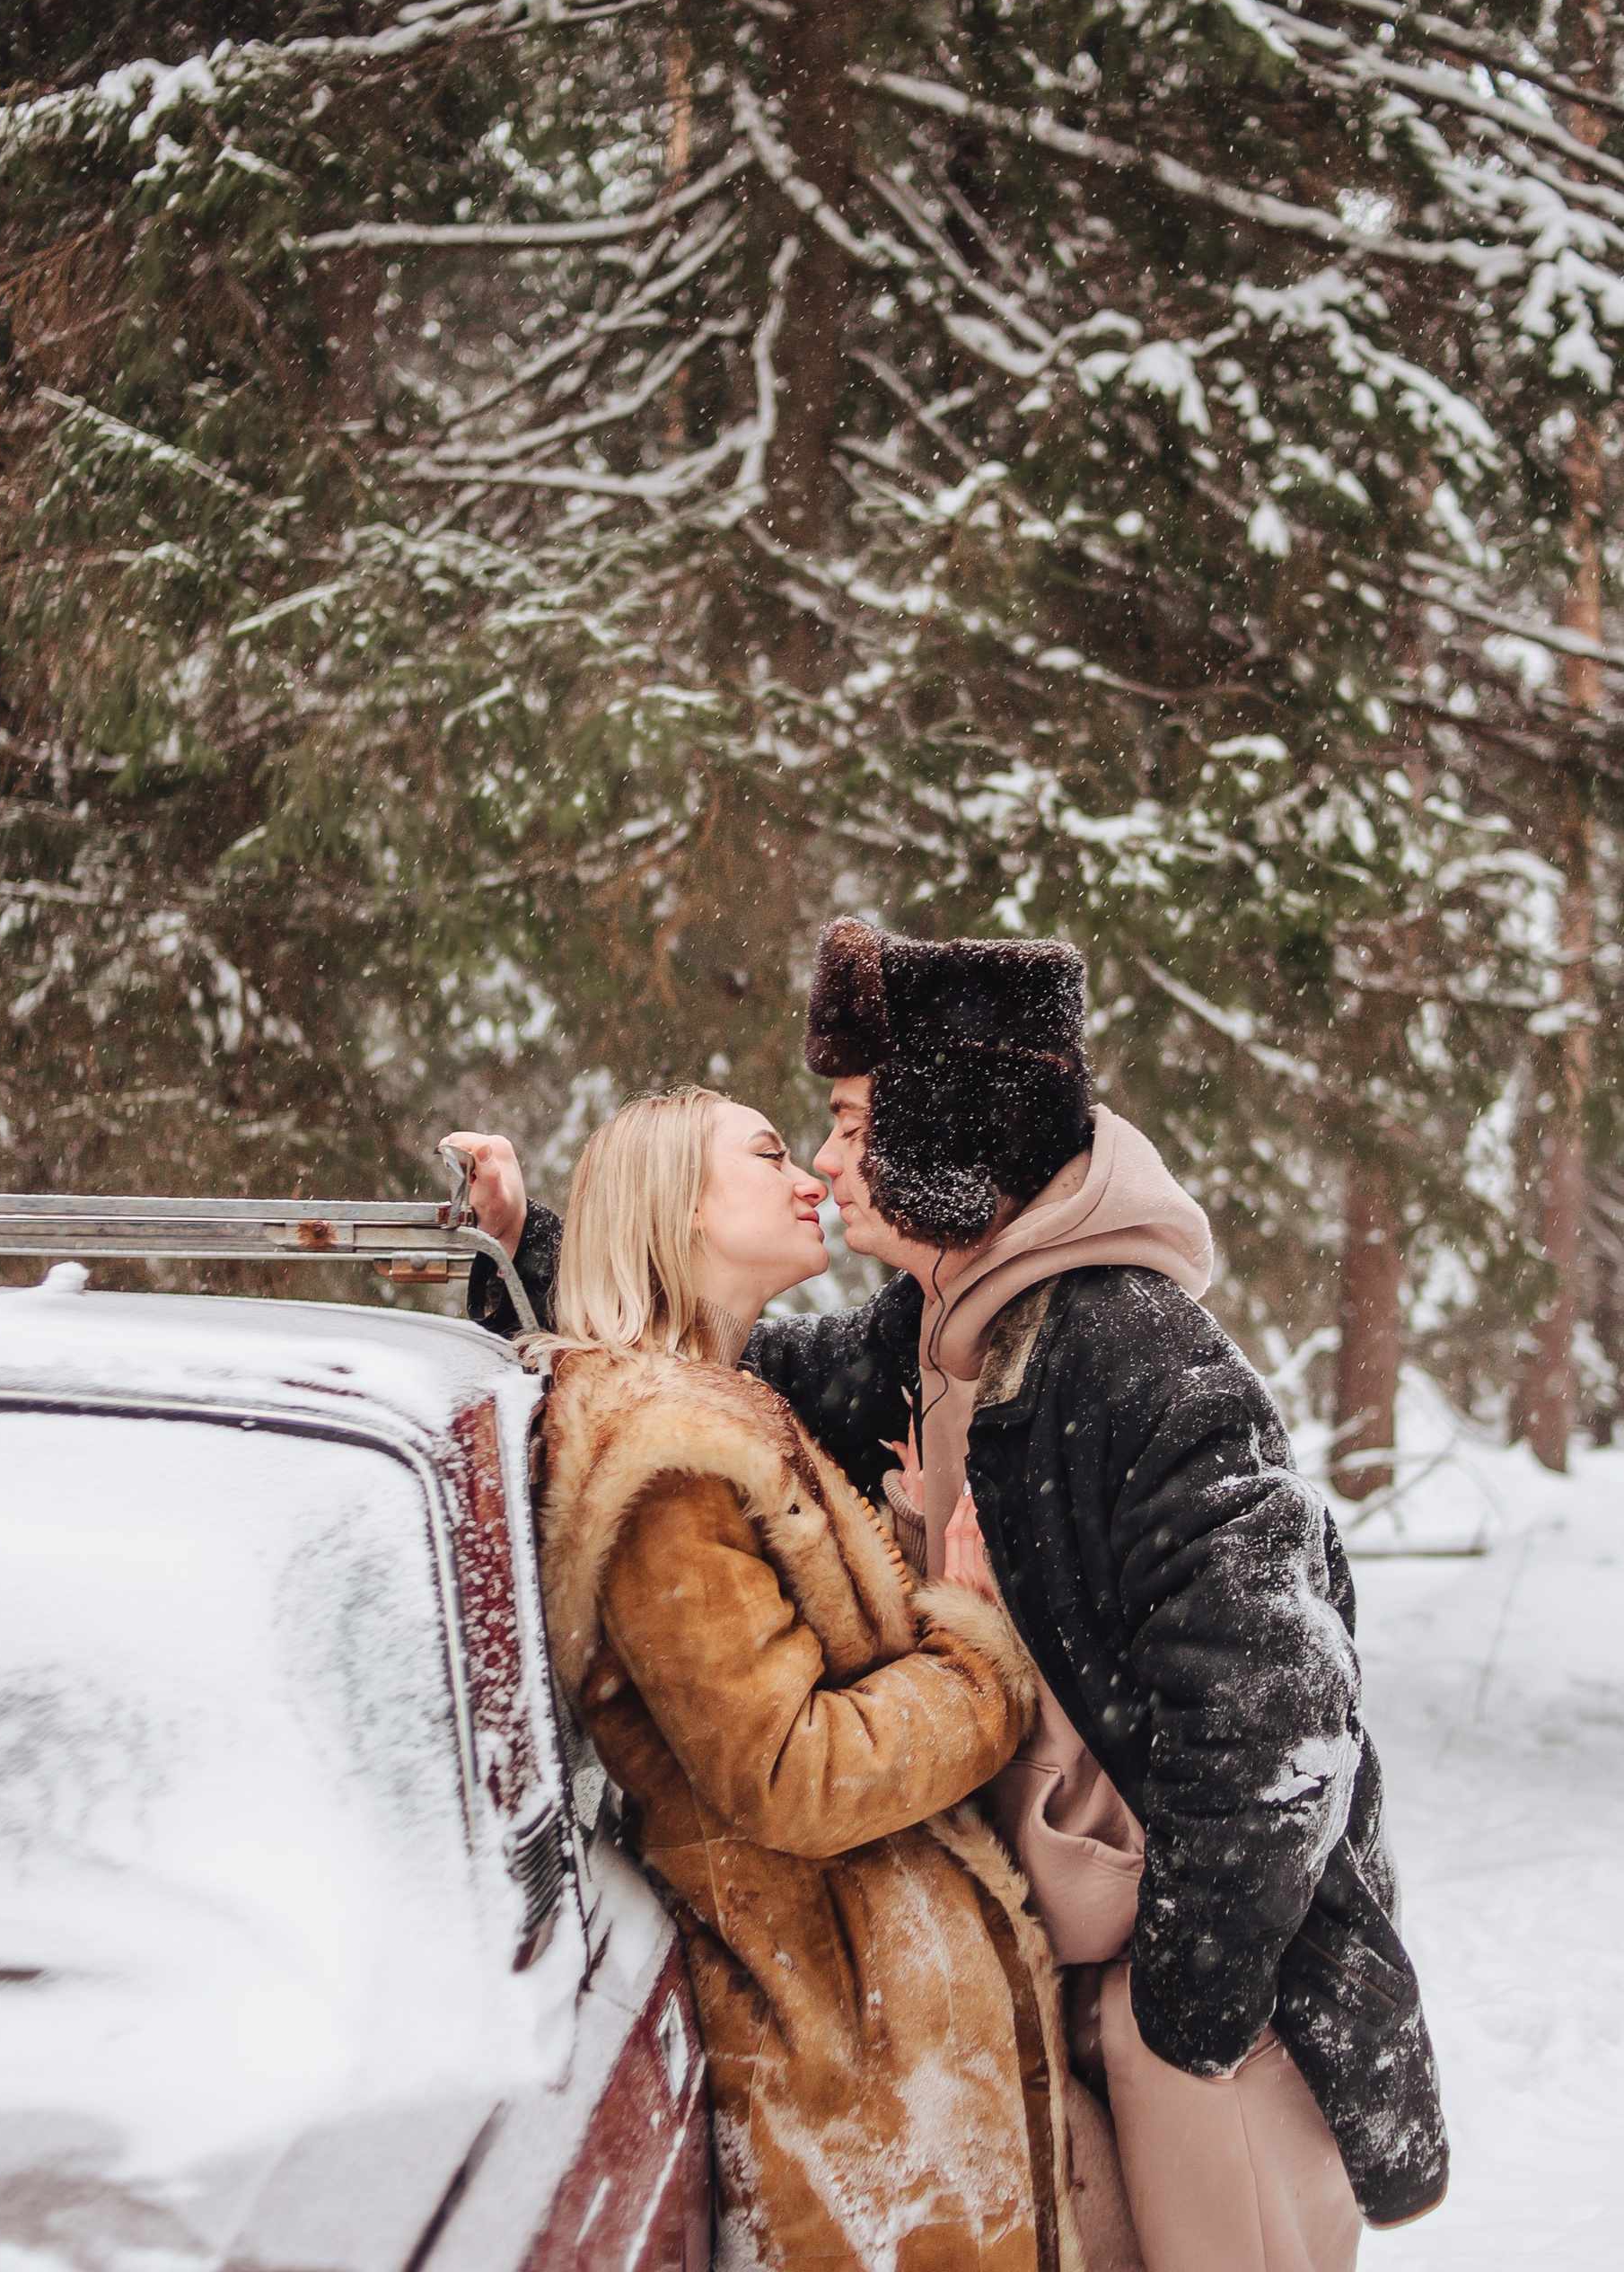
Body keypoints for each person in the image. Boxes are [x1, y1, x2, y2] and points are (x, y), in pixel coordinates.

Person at [448, 924, 1449, 2271]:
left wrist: (1182, 2008)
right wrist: (535, 1247)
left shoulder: (1137, 1358)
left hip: (1199, 2018)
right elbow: (722, 1367)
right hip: (1051, 1975)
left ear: (944, 1128)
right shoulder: (938, 1331)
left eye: (855, 1123)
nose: (828, 1160)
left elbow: (1279, 1705)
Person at [512, 1084, 1084, 2272]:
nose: (811, 1177)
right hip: (830, 2046)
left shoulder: (722, 1413)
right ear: (674, 1209)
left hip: (859, 2025)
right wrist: (972, 1644)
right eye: (769, 1155)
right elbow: (789, 1771)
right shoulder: (668, 1464)